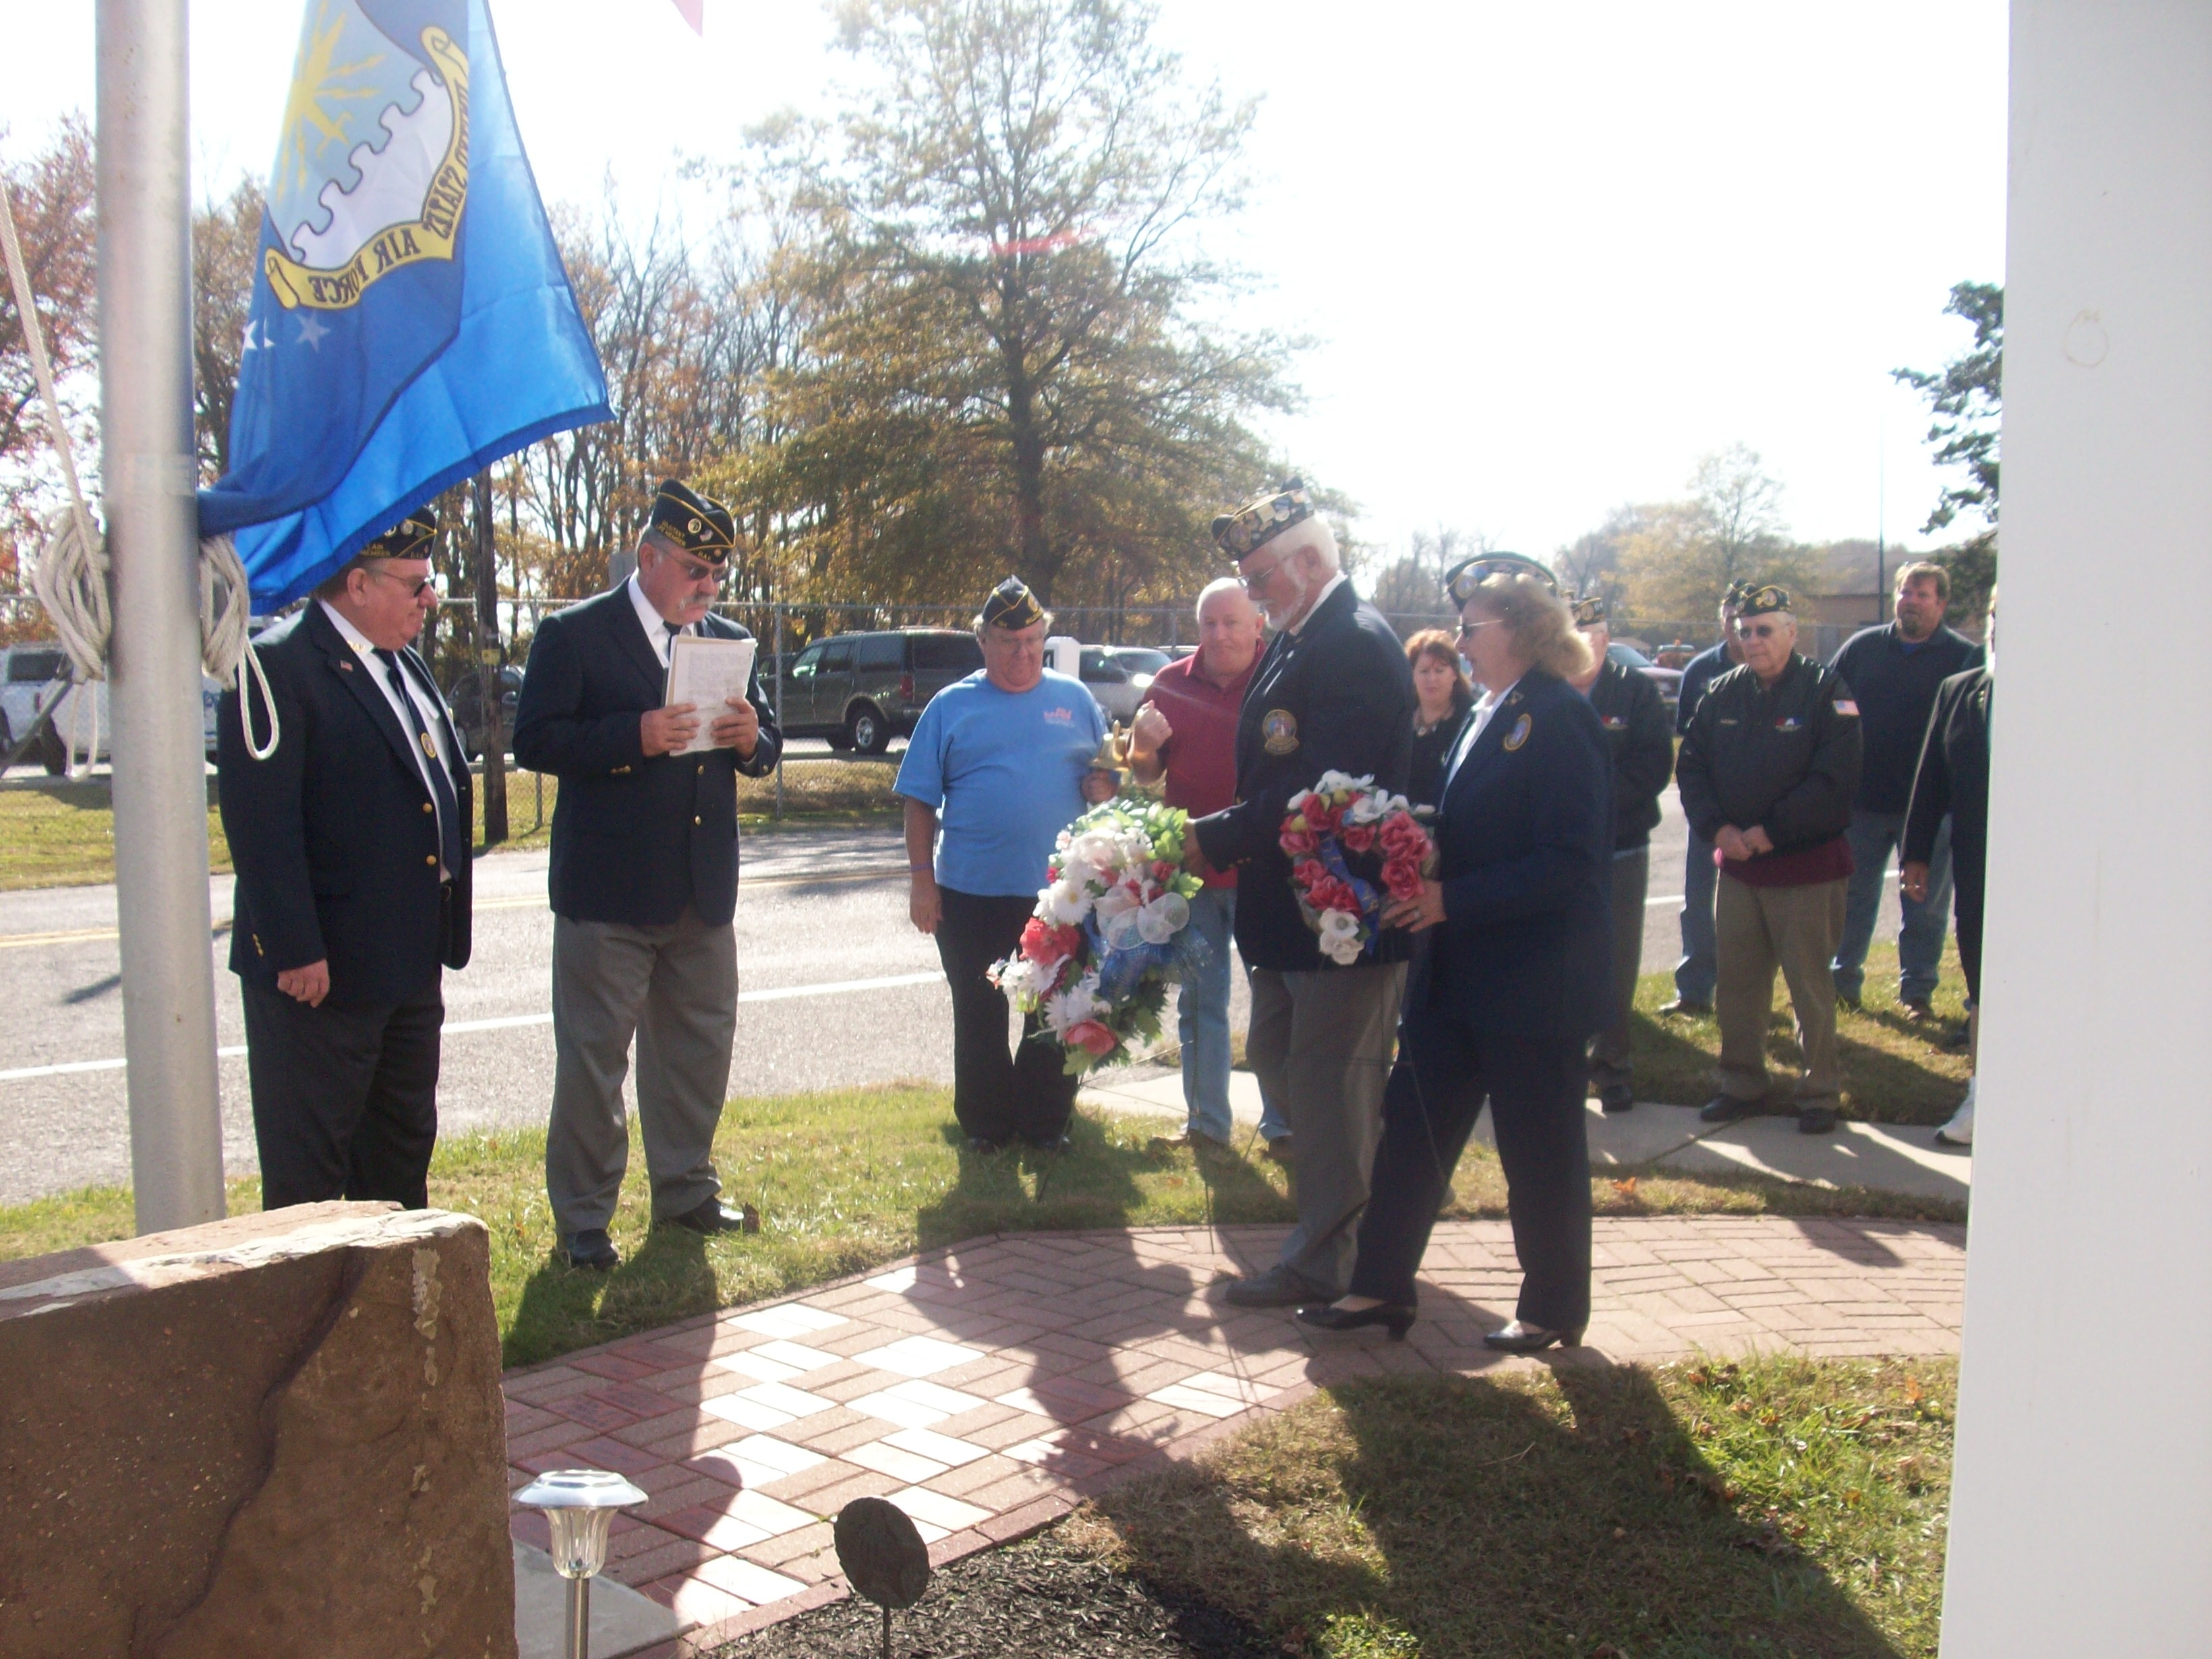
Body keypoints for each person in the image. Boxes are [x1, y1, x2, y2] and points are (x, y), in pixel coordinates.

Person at [1298, 556, 1611, 1351]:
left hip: (1531, 982)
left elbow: (1569, 860)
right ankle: (1378, 1288)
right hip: (1454, 978)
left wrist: (1451, 898)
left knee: (1539, 1153)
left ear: (1524, 630)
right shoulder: (1488, 712)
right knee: (1410, 1134)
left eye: (1471, 628)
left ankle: (1552, 1309)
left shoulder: (1558, 716)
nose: (1460, 642)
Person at [512, 480, 782, 1271]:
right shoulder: (576, 635)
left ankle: (686, 1191)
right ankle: (584, 1221)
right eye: (696, 570)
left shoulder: (727, 640)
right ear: (648, 557)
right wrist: (632, 735)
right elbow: (536, 739)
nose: (709, 587)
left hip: (701, 890)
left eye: (717, 573)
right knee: (594, 1064)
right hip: (609, 893)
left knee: (698, 1050)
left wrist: (750, 739)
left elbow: (767, 745)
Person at [1187, 479, 1416, 1309]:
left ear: (1311, 561)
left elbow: (1320, 790)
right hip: (1292, 920)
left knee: (1329, 1098)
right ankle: (1346, 1238)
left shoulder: (1353, 643)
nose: (1252, 595)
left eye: (1260, 578)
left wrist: (1210, 836)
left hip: (1340, 922)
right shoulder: (1302, 636)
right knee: (1289, 1073)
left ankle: (1333, 1264)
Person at [216, 508, 473, 1211]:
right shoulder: (275, 667)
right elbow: (261, 823)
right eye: (416, 584)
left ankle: (393, 1284)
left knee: (399, 1159)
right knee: (309, 1176)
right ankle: (314, 1290)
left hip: (407, 963)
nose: (430, 600)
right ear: (358, 584)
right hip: (321, 978)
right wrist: (294, 948)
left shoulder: (402, 663)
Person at [896, 577, 1115, 1153]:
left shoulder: (1075, 700)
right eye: (1009, 641)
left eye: (1033, 640)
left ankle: (1045, 1125)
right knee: (979, 1011)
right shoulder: (951, 707)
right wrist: (921, 882)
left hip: (1059, 895)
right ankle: (987, 1126)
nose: (1023, 653)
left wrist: (1102, 787)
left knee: (1055, 1011)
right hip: (970, 893)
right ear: (983, 641)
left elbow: (1106, 781)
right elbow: (918, 800)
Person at [1677, 585, 1864, 1134]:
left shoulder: (1827, 691)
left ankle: (1820, 1093)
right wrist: (1718, 829)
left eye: (1765, 630)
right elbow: (1691, 768)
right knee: (1738, 985)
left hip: (1805, 868)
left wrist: (1770, 833)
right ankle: (1742, 1084)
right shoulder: (1722, 693)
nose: (1752, 640)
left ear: (1792, 633)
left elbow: (1835, 780)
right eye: (1745, 630)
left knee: (1810, 988)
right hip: (1739, 867)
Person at [1126, 579, 1273, 1155]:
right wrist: (1141, 746)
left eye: (1232, 622)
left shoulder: (1282, 678)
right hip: (1194, 872)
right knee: (1200, 1002)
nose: (1220, 634)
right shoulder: (1169, 683)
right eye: (1210, 623)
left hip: (1267, 872)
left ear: (1258, 625)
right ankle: (1207, 1126)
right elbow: (1146, 773)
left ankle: (1285, 1128)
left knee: (1277, 1005)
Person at [1828, 562, 1985, 1018]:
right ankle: (1842, 983)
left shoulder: (1963, 657)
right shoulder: (1862, 648)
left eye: (1922, 594)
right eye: (1905, 592)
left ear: (1941, 603)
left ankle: (1917, 991)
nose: (1911, 601)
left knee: (1925, 905)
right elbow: (1830, 700)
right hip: (1863, 803)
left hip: (1930, 810)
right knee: (1852, 898)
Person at [1566, 593, 1674, 1113]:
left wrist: (1594, 805)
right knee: (1560, 961)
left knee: (1616, 961)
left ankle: (1611, 1068)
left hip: (1620, 847)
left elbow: (1652, 767)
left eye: (1586, 637)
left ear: (1605, 641)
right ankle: (1561, 1066)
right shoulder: (1544, 690)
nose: (1576, 647)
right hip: (1561, 851)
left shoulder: (1635, 692)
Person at [1902, 590, 1995, 1147]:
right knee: (1983, 980)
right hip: (1978, 867)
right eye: (1996, 617)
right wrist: (1915, 852)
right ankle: (1983, 1097)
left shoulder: (2066, 695)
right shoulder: (1960, 690)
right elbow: (1931, 776)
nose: (2001, 628)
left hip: (2048, 873)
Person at [1662, 582, 1749, 1016]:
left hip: (1760, 808)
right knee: (1698, 900)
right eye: (1729, 616)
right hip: (1709, 808)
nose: (1736, 625)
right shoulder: (1700, 670)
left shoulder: (1776, 667)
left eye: (1743, 617)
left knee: (1755, 906)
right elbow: (1687, 743)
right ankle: (1695, 990)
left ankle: (1749, 993)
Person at [1403, 628, 1475, 811]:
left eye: (1439, 670)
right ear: (1412, 674)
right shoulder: (1400, 715)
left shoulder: (1470, 719)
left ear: (1454, 674)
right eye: (1424, 671)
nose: (1432, 678)